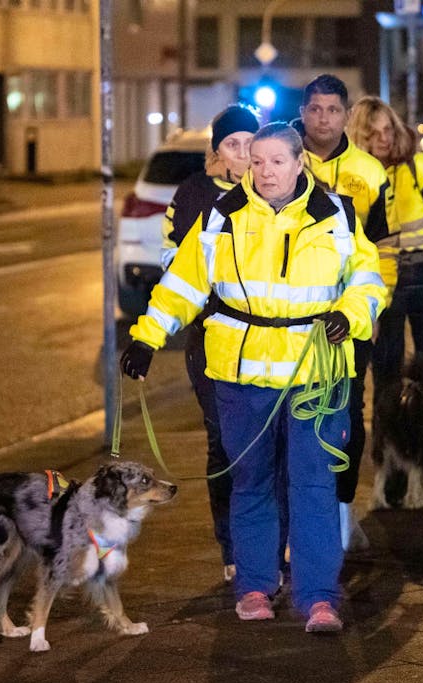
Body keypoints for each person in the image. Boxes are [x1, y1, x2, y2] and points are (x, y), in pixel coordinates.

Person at [120, 123, 386, 632]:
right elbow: (183, 282)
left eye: (276, 161)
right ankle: (256, 587)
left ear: (299, 162)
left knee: (314, 486)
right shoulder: (222, 217)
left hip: (315, 373)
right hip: (241, 375)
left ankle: (319, 597)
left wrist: (349, 315)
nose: (264, 171)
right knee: (252, 483)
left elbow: (367, 281)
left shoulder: (339, 216)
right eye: (257, 161)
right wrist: (147, 336)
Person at [294, 74, 395, 551]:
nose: (323, 119)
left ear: (345, 114)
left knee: (348, 416)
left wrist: (375, 306)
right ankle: (298, 520)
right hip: (291, 317)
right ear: (303, 111)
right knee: (299, 415)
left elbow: (380, 249)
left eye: (333, 110)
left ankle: (340, 512)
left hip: (350, 318)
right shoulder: (282, 159)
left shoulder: (372, 172)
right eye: (315, 109)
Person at [160, 104, 259, 582]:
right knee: (222, 442)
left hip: (263, 341)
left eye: (249, 142)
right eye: (232, 144)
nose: (242, 153)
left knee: (264, 443)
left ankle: (268, 539)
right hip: (209, 338)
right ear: (216, 150)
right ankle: (231, 548)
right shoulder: (194, 193)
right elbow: (173, 261)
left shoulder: (270, 191)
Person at [346, 96, 423, 401]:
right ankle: (389, 445)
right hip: (380, 284)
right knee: (385, 372)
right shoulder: (354, 178)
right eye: (373, 133)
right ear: (359, 136)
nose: (383, 139)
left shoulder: (418, 165)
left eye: (388, 130)